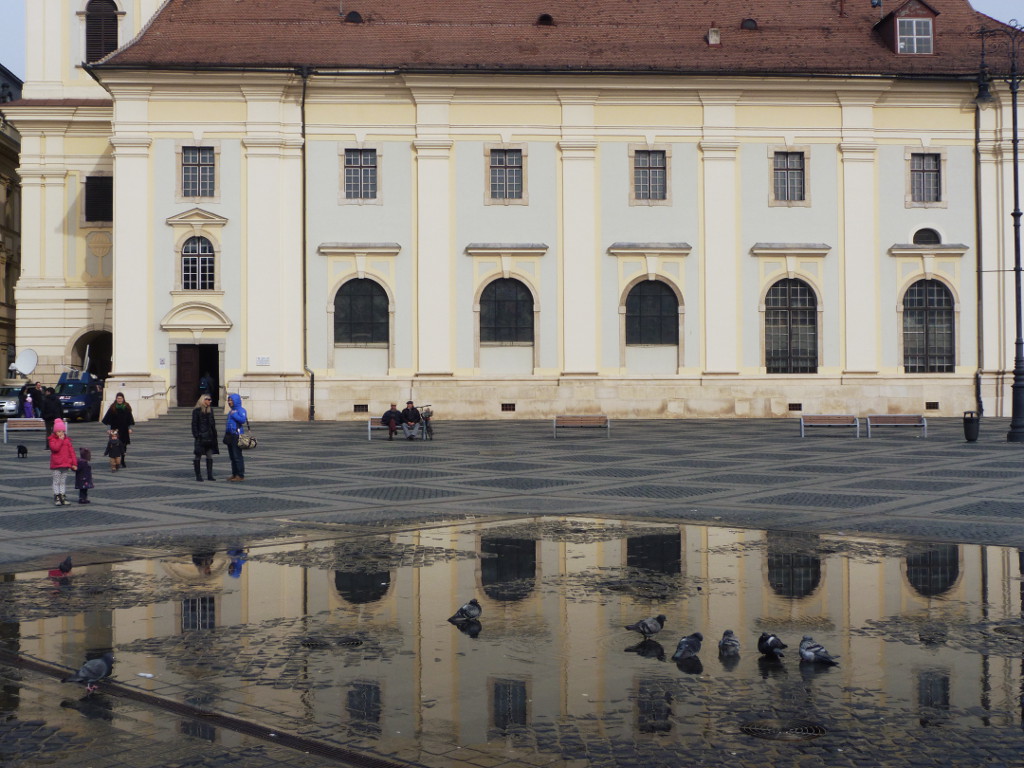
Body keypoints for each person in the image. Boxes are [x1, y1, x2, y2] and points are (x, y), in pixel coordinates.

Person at [101, 392, 134, 468]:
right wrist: (108, 429)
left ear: (123, 399)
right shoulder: (113, 407)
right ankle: (115, 461)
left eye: (121, 398)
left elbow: (129, 419)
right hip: (115, 430)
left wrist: (130, 428)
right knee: (114, 445)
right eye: (118, 398)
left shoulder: (127, 407)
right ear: (116, 399)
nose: (119, 400)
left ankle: (122, 460)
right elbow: (108, 419)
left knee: (124, 445)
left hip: (124, 429)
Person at [47, 418, 76, 506]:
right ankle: (56, 496)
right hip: (56, 464)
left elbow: (72, 452)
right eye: (59, 431)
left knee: (63, 481)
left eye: (62, 431)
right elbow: (55, 448)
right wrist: (60, 440)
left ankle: (62, 495)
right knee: (56, 481)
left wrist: (74, 463)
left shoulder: (67, 441)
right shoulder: (52, 440)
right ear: (55, 432)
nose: (61, 433)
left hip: (65, 464)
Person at [191, 394, 218, 481]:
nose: (210, 401)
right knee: (198, 455)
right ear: (203, 400)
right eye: (208, 399)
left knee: (209, 456)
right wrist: (197, 435)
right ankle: (198, 475)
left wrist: (214, 435)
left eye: (210, 400)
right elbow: (194, 424)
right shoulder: (196, 411)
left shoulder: (211, 411)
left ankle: (210, 475)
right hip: (201, 437)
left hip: (210, 437)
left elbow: (213, 424)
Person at [222, 393, 248, 482]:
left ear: (236, 401)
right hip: (230, 434)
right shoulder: (231, 411)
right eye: (228, 400)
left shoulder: (241, 410)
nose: (229, 402)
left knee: (237, 456)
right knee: (232, 456)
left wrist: (234, 415)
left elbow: (242, 420)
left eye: (231, 400)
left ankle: (240, 475)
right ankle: (234, 474)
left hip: (237, 435)